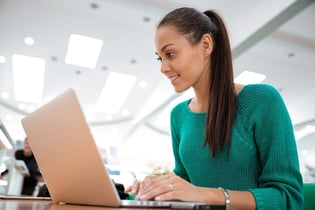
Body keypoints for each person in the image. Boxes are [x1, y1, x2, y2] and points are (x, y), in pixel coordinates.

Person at [125, 7, 304, 210]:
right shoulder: (178, 115)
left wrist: (207, 194)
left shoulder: (262, 100)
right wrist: (157, 190)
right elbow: (185, 181)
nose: (163, 67)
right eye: (160, 58)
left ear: (206, 45)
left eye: (170, 54)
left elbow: (288, 198)